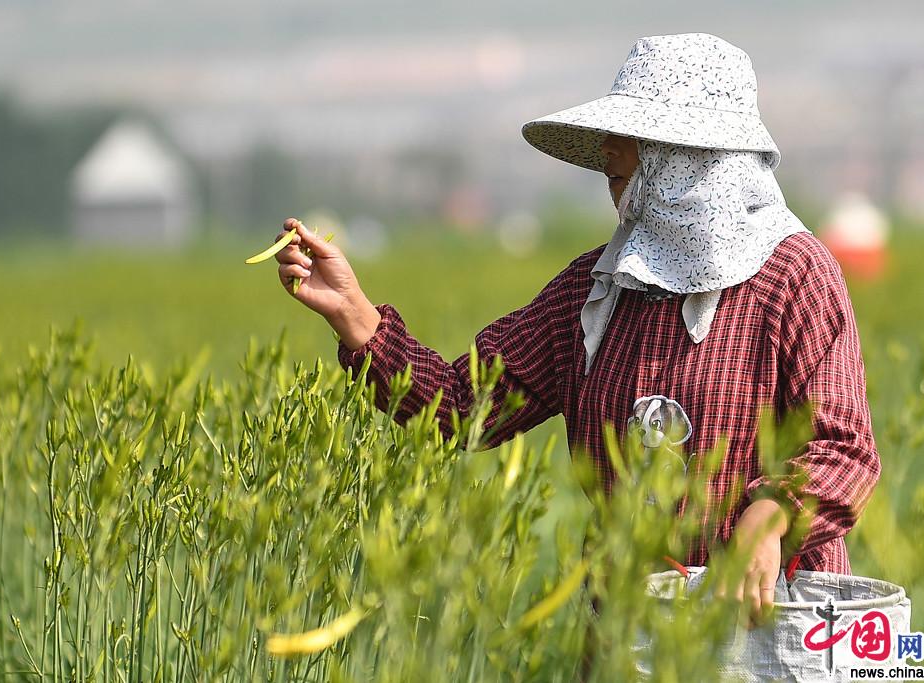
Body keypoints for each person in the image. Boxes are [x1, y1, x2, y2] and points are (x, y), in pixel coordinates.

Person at [269, 33, 880, 631]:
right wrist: (353, 313)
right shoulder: (594, 290)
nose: (613, 177)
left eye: (627, 159)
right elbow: (462, 407)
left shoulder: (794, 277)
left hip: (772, 625)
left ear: (688, 165)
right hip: (629, 630)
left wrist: (769, 516)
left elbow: (844, 448)